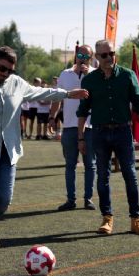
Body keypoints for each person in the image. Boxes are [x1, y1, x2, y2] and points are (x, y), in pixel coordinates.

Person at [0, 46, 89, 257]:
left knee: (4, 199)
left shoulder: (17, 84)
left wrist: (69, 94)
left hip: (8, 153)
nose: (5, 74)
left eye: (9, 70)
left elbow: (43, 92)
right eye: (2, 68)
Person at [77, 39, 139, 236]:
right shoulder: (89, 80)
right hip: (99, 133)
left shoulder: (127, 75)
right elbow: (82, 111)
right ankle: (107, 218)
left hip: (123, 132)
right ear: (96, 58)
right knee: (103, 177)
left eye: (112, 53)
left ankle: (136, 219)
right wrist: (81, 138)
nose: (109, 58)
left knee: (130, 175)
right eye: (104, 55)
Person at [50, 44, 97, 211]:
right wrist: (52, 116)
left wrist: (87, 75)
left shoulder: (95, 74)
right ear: (76, 55)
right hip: (69, 126)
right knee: (70, 164)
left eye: (87, 56)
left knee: (90, 164)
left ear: (91, 58)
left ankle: (88, 198)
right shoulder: (65, 74)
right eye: (81, 55)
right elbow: (57, 97)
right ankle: (71, 199)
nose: (83, 58)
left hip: (90, 127)